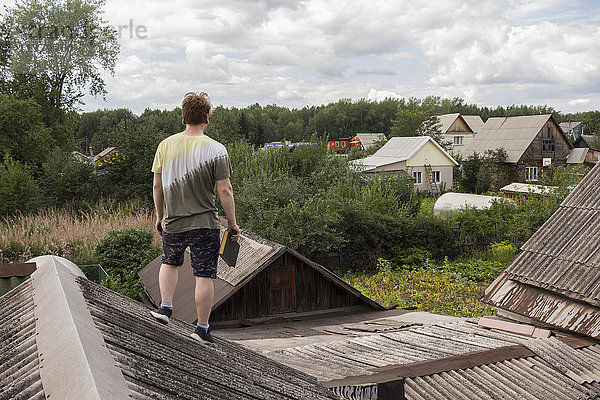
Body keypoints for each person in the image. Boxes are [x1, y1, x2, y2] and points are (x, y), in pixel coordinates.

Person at [150, 92, 240, 343]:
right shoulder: (216, 149)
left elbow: (157, 186)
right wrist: (231, 223)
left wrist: (160, 216)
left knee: (169, 262)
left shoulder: (165, 146)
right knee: (204, 274)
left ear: (183, 118)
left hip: (174, 220)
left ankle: (165, 307)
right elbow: (225, 189)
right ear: (207, 118)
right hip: (205, 223)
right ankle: (201, 328)